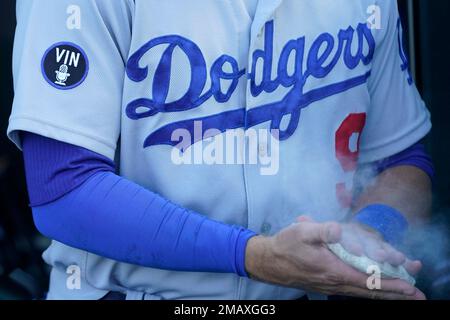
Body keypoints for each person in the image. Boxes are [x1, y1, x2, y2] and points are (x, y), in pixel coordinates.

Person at [8, 0, 433, 300]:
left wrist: (368, 233)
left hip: (308, 292)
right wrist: (253, 256)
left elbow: (401, 160)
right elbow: (64, 189)